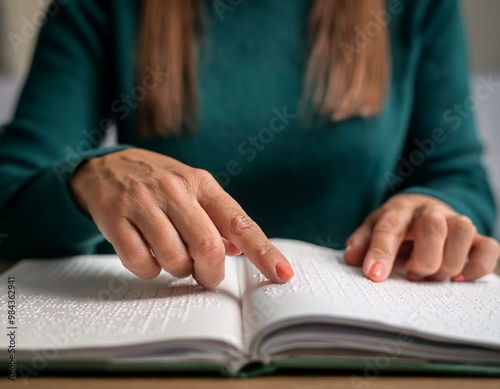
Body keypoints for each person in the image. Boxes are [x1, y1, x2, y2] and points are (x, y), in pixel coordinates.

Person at [0, 0, 498, 288]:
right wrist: (91, 176)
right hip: (162, 331)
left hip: (369, 327)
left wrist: (436, 208)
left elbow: (459, 178)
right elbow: (10, 192)